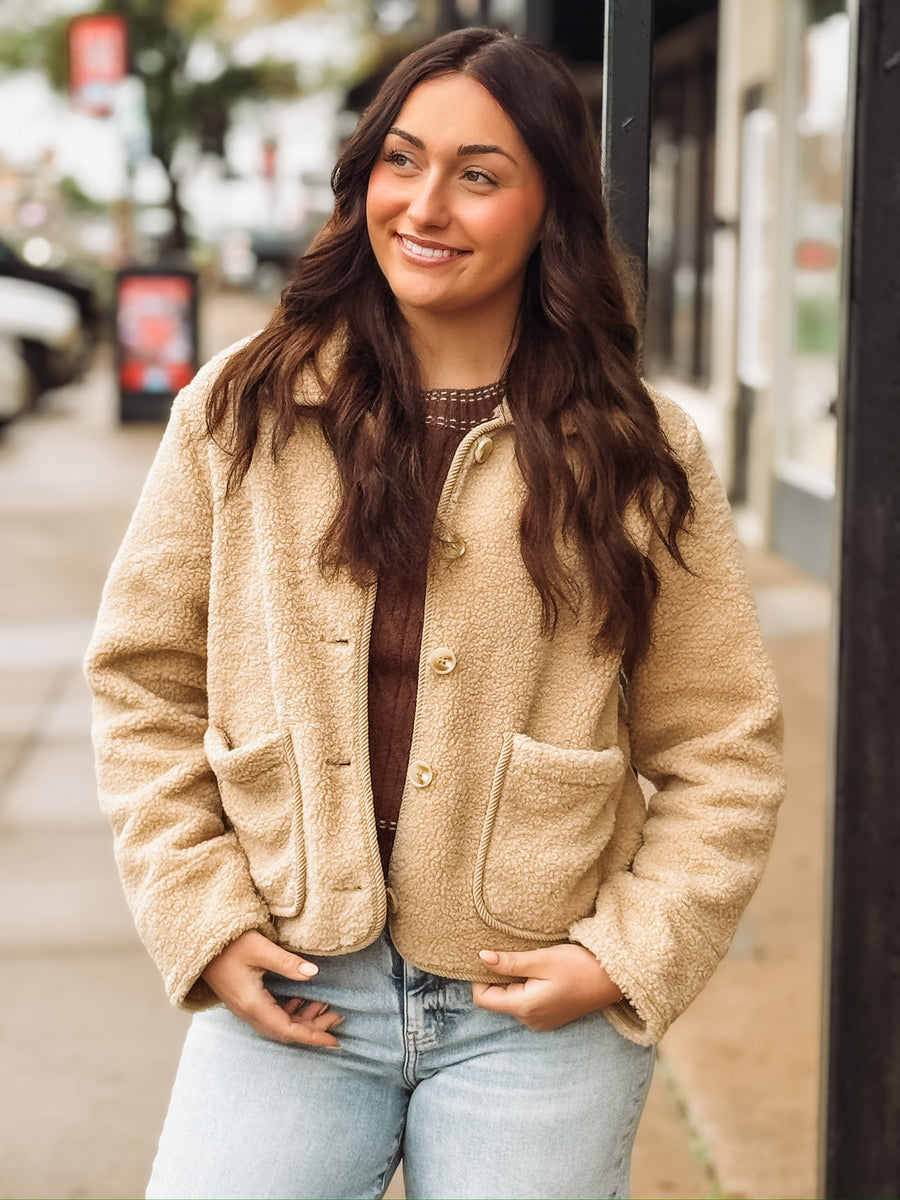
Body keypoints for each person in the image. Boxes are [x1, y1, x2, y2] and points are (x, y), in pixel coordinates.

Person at [86, 26, 784, 1200]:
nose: (426, 204)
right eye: (401, 161)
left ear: (546, 207)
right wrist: (200, 917)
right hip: (297, 978)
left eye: (479, 174)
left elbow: (725, 747)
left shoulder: (638, 450)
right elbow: (142, 681)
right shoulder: (242, 411)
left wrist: (626, 955)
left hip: (533, 1008)